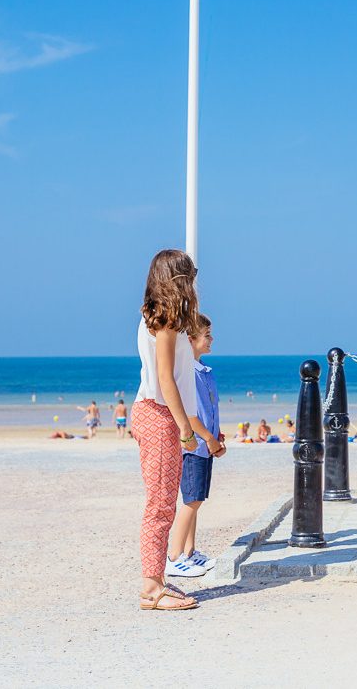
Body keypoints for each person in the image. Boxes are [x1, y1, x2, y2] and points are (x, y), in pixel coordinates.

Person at [131, 249, 216, 612]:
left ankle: (157, 582)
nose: (194, 282)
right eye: (190, 276)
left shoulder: (163, 319)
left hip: (156, 413)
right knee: (161, 504)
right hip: (159, 414)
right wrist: (185, 428)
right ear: (178, 279)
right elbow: (166, 379)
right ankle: (151, 588)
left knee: (163, 502)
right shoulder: (163, 321)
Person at [166, 314, 226, 579]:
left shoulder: (205, 373)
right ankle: (174, 556)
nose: (211, 339)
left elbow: (210, 410)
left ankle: (190, 552)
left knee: (197, 500)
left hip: (206, 444)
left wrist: (216, 435)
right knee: (191, 500)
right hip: (193, 447)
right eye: (207, 335)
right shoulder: (187, 373)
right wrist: (208, 438)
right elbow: (190, 415)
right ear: (190, 340)